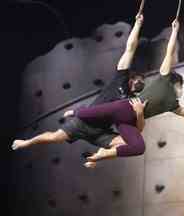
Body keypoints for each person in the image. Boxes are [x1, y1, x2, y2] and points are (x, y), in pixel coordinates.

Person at [69, 19, 184, 168]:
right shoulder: (164, 78)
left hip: (128, 122)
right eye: (181, 86)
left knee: (138, 147)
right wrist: (174, 31)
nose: (181, 91)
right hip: (125, 108)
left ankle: (102, 154)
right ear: (176, 83)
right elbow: (169, 52)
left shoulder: (173, 105)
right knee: (88, 114)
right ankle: (77, 112)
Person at [12, 13, 147, 161]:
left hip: (101, 132)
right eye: (139, 79)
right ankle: (26, 143)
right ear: (132, 79)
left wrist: (139, 113)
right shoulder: (120, 79)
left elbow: (137, 131)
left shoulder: (134, 102)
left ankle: (97, 158)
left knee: (128, 143)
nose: (141, 83)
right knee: (54, 137)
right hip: (83, 123)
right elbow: (130, 49)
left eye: (143, 82)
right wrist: (138, 25)